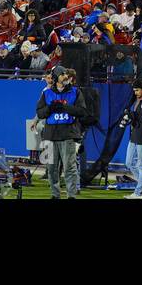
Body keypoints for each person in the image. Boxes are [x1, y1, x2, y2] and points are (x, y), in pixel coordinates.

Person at [35, 65, 89, 200]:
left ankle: (71, 196)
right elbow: (40, 113)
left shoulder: (76, 92)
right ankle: (55, 195)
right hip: (50, 136)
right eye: (62, 74)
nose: (65, 76)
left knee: (69, 168)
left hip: (68, 135)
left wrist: (65, 107)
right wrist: (50, 108)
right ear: (55, 78)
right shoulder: (46, 93)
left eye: (66, 73)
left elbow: (82, 112)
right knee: (51, 169)